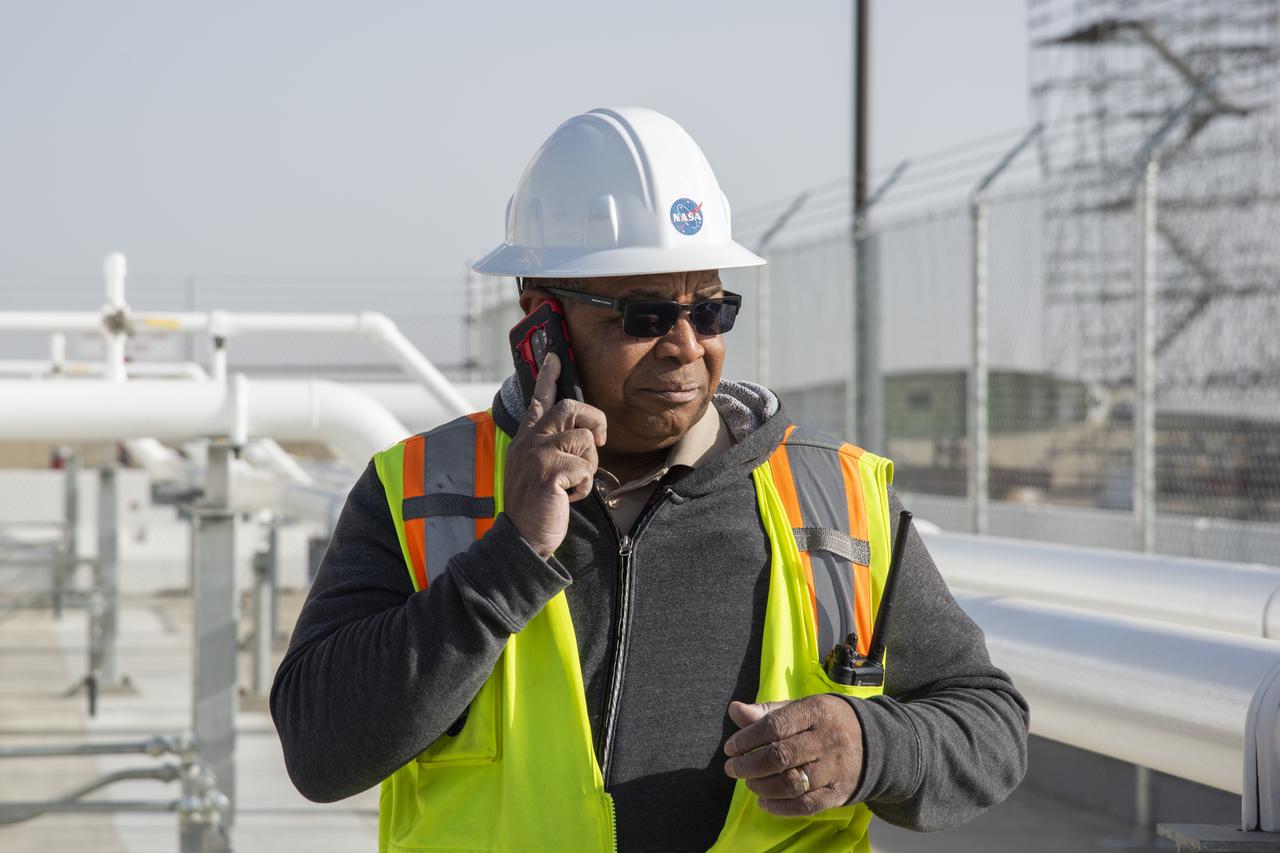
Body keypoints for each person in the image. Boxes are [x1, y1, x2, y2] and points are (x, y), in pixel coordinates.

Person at [271, 107, 1028, 852]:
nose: (687, 346)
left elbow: (990, 725)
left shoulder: (838, 499)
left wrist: (870, 745)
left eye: (711, 309)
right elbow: (318, 749)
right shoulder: (421, 490)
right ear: (543, 323)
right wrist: (511, 556)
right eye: (644, 315)